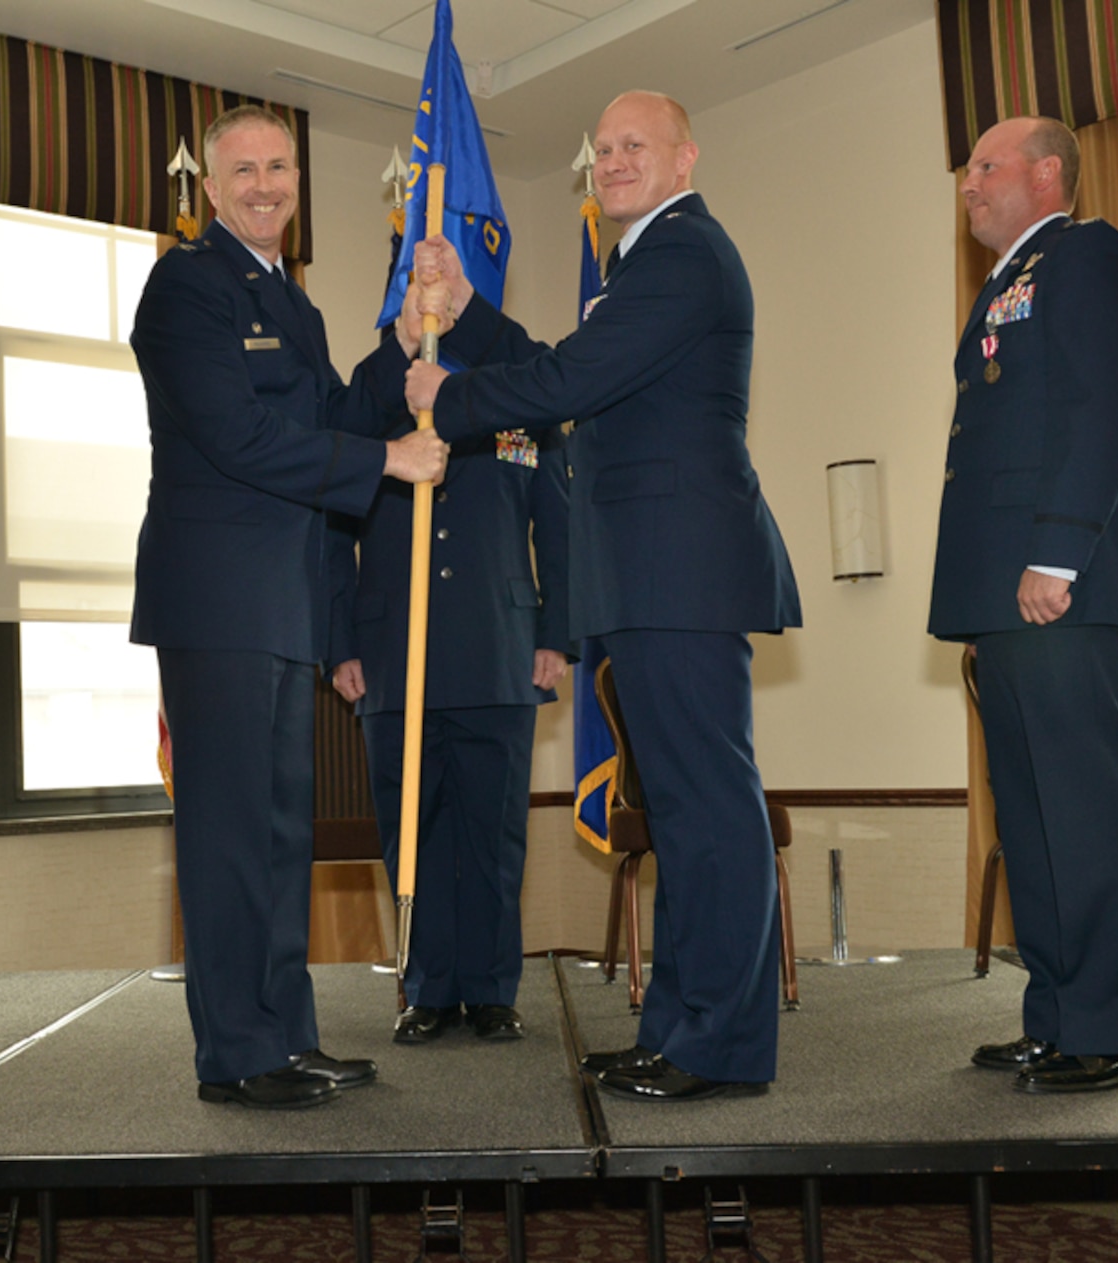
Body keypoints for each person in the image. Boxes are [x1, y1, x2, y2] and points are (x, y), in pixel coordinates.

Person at [402, 90, 800, 1102]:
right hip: (646, 569)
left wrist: (443, 395)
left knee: (705, 810)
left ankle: (714, 1043)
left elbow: (568, 382)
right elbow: (567, 368)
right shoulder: (641, 264)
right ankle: (685, 1030)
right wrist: (473, 316)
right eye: (603, 149)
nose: (612, 161)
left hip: (679, 568)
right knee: (680, 811)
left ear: (683, 157)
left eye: (635, 145)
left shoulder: (681, 254)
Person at [129, 104, 450, 1110]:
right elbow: (235, 437)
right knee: (230, 836)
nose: (264, 184)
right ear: (212, 190)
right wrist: (387, 459)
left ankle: (283, 1037)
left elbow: (332, 420)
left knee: (279, 835)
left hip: (282, 609)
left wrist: (398, 349)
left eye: (279, 167)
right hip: (216, 604)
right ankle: (234, 1053)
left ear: (296, 184)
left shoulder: (295, 306)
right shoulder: (186, 286)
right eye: (244, 170)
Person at [933, 116, 1118, 1094]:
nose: (967, 184)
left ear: (1045, 171)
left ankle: (1110, 1029)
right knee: (1028, 816)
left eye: (984, 166)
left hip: (1055, 579)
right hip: (1003, 587)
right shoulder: (1003, 282)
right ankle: (1059, 1014)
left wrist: (1057, 553)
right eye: (965, 169)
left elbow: (1100, 404)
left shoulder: (1086, 255)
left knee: (1085, 806)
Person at [325, 387, 570, 1045]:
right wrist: (338, 642)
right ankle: (427, 989)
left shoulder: (516, 412)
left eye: (445, 279)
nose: (431, 289)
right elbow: (330, 529)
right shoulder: (366, 411)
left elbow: (557, 520)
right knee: (413, 831)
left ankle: (491, 991)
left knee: (493, 836)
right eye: (416, 280)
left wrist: (557, 632)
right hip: (390, 657)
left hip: (499, 649)